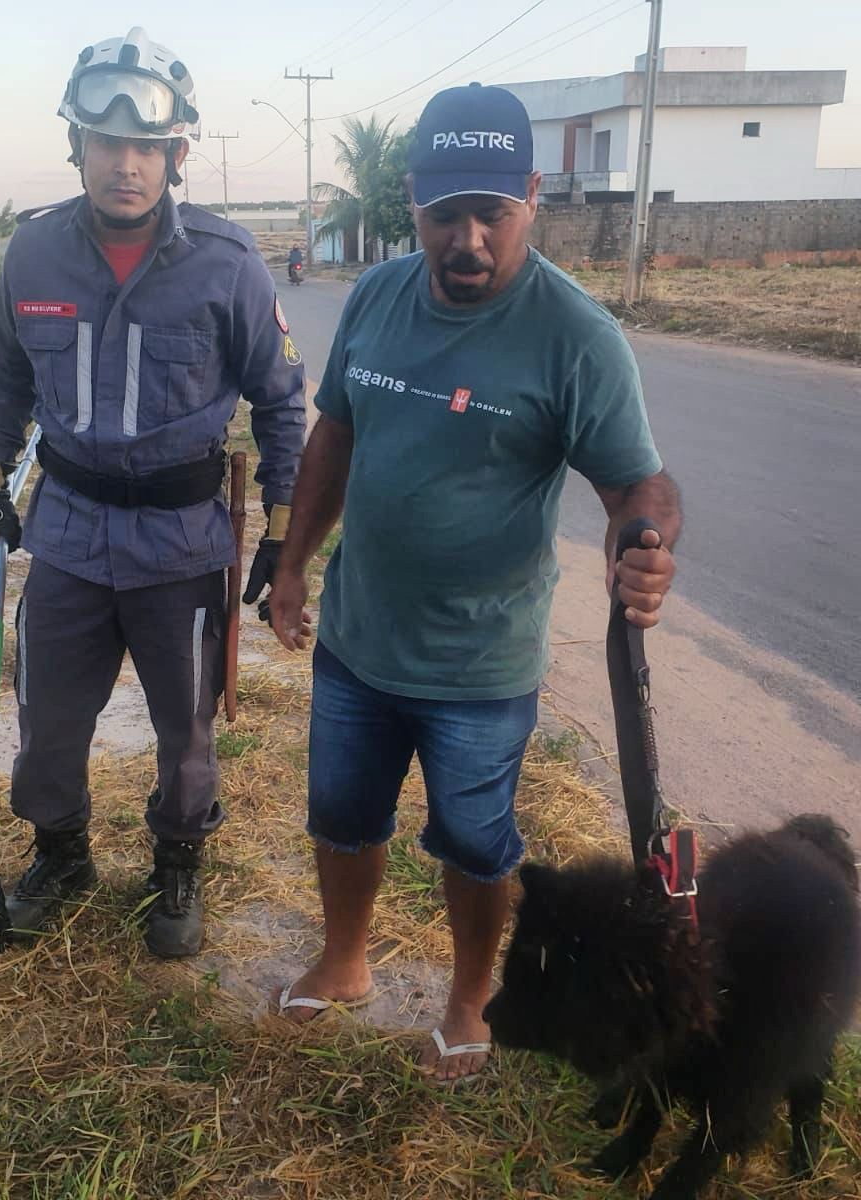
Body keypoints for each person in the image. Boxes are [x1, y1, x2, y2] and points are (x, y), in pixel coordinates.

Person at [264, 83, 682, 1080]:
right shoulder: (375, 295)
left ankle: (467, 998)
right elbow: (336, 431)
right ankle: (347, 958)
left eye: (491, 214)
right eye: (444, 214)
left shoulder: (575, 336)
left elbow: (635, 480)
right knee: (341, 814)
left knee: (472, 840)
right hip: (359, 641)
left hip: (481, 662)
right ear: (410, 200)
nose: (467, 242)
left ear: (531, 195)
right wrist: (288, 564)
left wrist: (648, 540)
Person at [0, 26, 306, 959]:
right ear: (75, 144)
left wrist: (283, 532)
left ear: (177, 155)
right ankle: (62, 853)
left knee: (186, 733)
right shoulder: (30, 256)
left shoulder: (228, 265)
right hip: (69, 535)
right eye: (106, 143)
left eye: (147, 148)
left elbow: (282, 404)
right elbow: (5, 375)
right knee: (46, 723)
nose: (126, 164)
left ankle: (178, 866)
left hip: (181, 545)